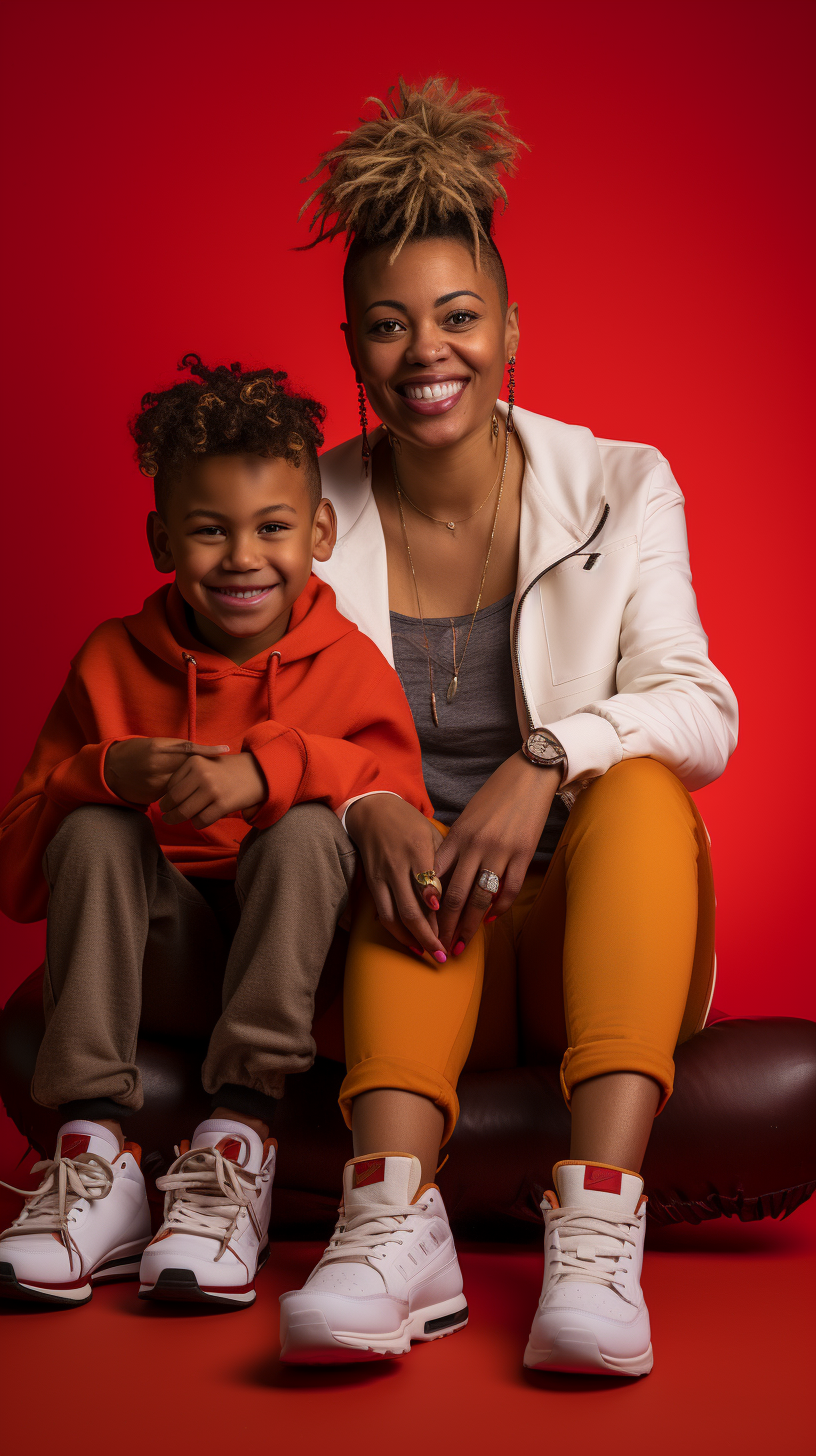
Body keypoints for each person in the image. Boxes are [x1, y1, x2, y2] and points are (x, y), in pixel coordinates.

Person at [278, 80, 738, 1375]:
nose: (430, 355)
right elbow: (263, 721)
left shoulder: (618, 483)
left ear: (512, 327)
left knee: (646, 785)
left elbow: (702, 706)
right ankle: (388, 1228)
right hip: (411, 954)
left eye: (460, 317)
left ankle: (596, 1241)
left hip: (594, 949)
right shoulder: (304, 513)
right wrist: (367, 798)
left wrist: (550, 756)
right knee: (387, 827)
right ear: (355, 346)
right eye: (390, 326)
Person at [0, 353, 433, 1311]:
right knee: (91, 831)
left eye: (273, 527)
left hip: (298, 962)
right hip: (161, 951)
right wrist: (100, 773)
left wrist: (273, 769)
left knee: (308, 832)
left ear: (319, 529)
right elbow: (20, 878)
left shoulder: (353, 664)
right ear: (161, 539)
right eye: (209, 531)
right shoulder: (113, 658)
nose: (243, 557)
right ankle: (92, 1159)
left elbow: (400, 825)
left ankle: (236, 1143)